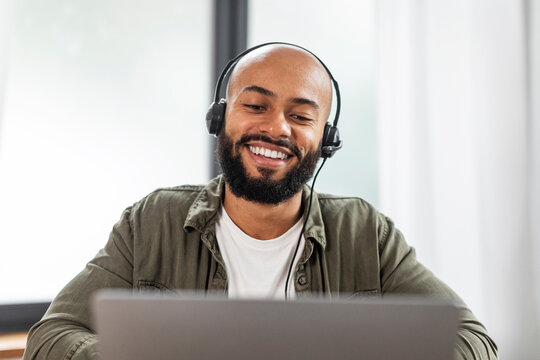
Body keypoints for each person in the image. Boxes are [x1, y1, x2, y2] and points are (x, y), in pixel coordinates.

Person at [23, 43, 498, 360]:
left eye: (300, 115)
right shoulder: (153, 221)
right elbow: (50, 337)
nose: (277, 128)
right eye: (256, 106)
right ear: (220, 118)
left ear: (326, 140)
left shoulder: (365, 231)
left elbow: (474, 342)